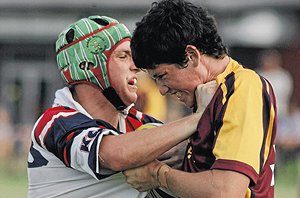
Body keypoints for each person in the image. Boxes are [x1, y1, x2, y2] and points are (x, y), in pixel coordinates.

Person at [27, 15, 214, 198]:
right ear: (87, 66)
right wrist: (198, 118)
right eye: (123, 56)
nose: (137, 66)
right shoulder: (55, 122)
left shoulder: (141, 123)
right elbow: (115, 155)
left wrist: (189, 149)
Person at [123, 0, 277, 197]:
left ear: (191, 55)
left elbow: (226, 192)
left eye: (162, 76)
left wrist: (158, 175)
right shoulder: (208, 96)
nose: (161, 90)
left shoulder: (243, 86)